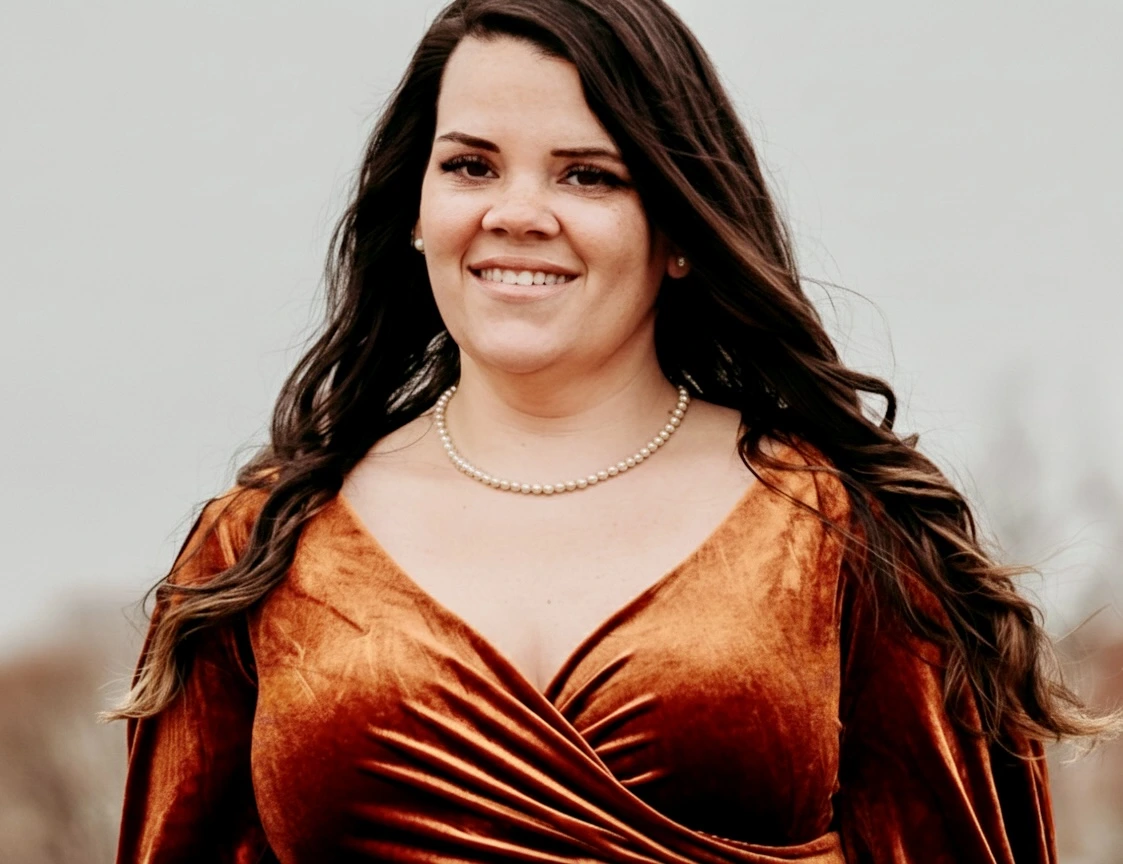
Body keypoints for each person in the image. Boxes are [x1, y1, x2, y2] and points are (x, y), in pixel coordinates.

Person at [108, 0, 1112, 861]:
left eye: (586, 174)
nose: (516, 212)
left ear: (675, 227)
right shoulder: (257, 552)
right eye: (469, 166)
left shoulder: (846, 532)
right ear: (413, 209)